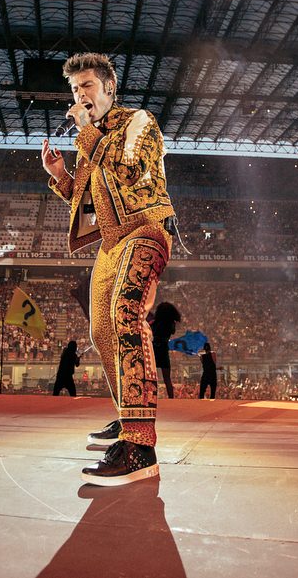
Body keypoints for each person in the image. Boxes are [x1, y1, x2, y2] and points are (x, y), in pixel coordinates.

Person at [41, 52, 176, 486]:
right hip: (113, 242)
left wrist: (86, 132)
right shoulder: (92, 138)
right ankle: (127, 417)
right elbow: (89, 204)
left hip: (146, 229)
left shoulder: (138, 121)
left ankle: (141, 444)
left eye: (87, 86)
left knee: (124, 318)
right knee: (101, 331)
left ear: (109, 88)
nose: (79, 95)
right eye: (74, 89)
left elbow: (128, 169)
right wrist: (61, 175)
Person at [150, 302, 180, 399]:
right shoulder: (171, 324)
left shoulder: (155, 323)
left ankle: (152, 397)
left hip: (155, 349)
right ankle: (171, 398)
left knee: (152, 376)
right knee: (167, 378)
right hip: (163, 350)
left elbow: (152, 331)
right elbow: (172, 331)